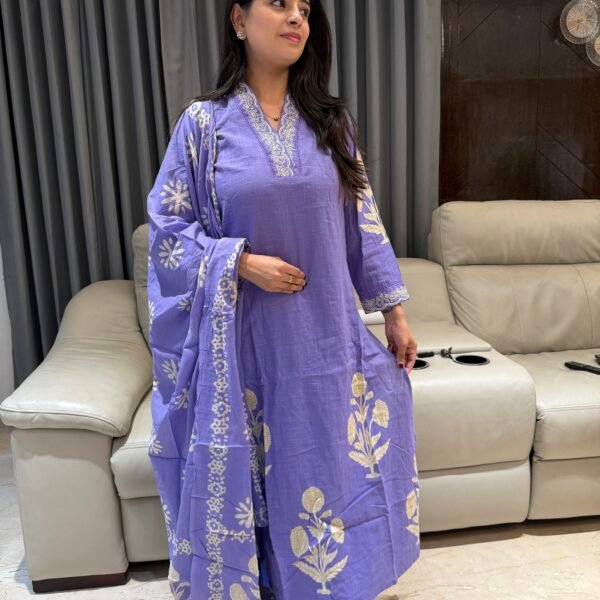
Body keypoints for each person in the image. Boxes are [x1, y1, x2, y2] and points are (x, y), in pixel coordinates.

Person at [146, 1, 421, 598]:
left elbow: (362, 223)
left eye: (304, 8)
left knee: (328, 466)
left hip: (325, 340)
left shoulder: (331, 123)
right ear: (238, 20)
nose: (296, 17)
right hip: (247, 345)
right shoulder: (202, 126)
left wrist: (394, 313)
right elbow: (168, 232)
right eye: (279, 4)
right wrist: (240, 263)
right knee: (259, 480)